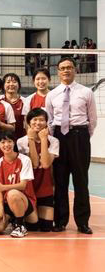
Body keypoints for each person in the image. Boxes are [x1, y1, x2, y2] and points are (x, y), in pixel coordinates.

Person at [46, 57, 96, 234]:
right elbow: (50, 120)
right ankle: (60, 221)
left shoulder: (86, 92)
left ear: (75, 70)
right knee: (60, 181)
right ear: (58, 72)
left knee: (81, 181)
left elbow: (92, 120)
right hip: (59, 137)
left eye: (69, 67)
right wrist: (55, 141)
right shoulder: (52, 95)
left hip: (79, 136)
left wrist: (80, 136)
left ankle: (82, 222)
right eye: (62, 68)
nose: (66, 70)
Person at [0, 131, 38, 238]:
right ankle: (12, 220)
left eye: (9, 141)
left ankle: (20, 226)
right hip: (7, 202)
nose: (6, 145)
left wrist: (3, 187)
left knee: (13, 193)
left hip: (24, 200)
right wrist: (1, 209)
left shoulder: (25, 160)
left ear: (14, 142)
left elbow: (23, 185)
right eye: (3, 142)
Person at [17, 108, 59, 232]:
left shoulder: (54, 141)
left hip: (45, 187)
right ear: (29, 122)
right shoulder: (21, 141)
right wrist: (31, 139)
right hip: (29, 187)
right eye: (35, 119)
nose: (38, 123)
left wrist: (44, 139)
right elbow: (34, 164)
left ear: (46, 123)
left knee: (46, 228)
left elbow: (45, 164)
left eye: (42, 120)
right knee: (33, 228)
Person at [1, 73, 27, 140]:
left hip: (20, 138)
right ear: (3, 85)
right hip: (2, 140)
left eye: (14, 82)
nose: (11, 84)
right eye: (8, 82)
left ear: (19, 85)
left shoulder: (25, 102)